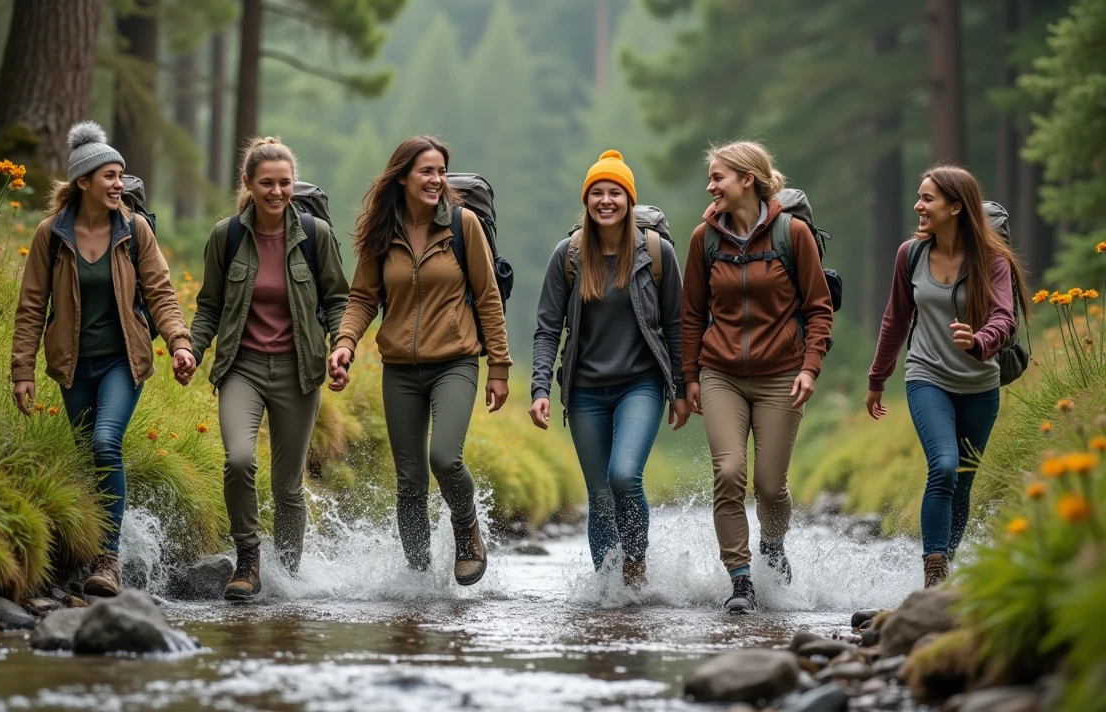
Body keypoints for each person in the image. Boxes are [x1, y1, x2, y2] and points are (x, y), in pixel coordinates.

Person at [11, 121, 196, 597]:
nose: (120, 184)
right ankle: (90, 543)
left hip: (122, 361)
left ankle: (107, 560)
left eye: (122, 175)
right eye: (110, 176)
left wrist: (178, 342)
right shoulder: (51, 235)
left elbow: (161, 293)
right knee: (87, 457)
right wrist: (22, 371)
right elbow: (31, 305)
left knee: (105, 441)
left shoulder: (134, 231)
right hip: (73, 365)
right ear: (84, 182)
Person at [327, 135, 510, 586]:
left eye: (441, 171)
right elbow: (362, 297)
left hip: (456, 361)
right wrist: (345, 342)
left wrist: (500, 367)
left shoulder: (463, 225)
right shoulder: (381, 232)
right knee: (409, 480)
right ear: (403, 177)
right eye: (426, 171)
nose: (436, 179)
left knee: (445, 458)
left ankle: (467, 531)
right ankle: (418, 578)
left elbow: (488, 299)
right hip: (400, 370)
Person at [190, 136, 350, 602]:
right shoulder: (228, 236)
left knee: (288, 485)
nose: (277, 192)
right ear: (248, 184)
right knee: (239, 459)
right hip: (242, 368)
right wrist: (191, 350)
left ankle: (289, 577)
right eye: (267, 183)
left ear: (293, 184)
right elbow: (209, 307)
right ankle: (248, 562)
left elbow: (338, 299)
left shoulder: (315, 237)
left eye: (285, 183)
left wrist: (342, 345)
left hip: (299, 371)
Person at [681, 141, 833, 613]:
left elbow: (819, 309)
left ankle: (772, 545)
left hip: (781, 375)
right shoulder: (702, 240)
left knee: (770, 485)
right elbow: (690, 315)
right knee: (728, 473)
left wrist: (810, 368)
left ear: (748, 179)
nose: (710, 186)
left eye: (718, 177)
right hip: (720, 374)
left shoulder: (793, 234)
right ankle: (741, 580)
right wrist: (690, 378)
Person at [529, 150, 689, 587]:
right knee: (600, 496)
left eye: (614, 192)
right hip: (583, 391)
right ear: (586, 200)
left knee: (622, 475)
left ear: (629, 199)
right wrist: (540, 389)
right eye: (597, 192)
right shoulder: (568, 256)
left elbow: (676, 325)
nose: (605, 200)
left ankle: (635, 567)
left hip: (639, 385)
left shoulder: (657, 253)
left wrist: (679, 388)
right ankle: (606, 586)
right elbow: (547, 329)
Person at [866, 166, 1025, 588]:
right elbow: (895, 320)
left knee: (964, 483)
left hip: (979, 385)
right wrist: (877, 378)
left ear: (956, 207)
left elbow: (1004, 318)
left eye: (928, 199)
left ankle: (946, 569)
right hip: (927, 376)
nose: (918, 206)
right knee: (945, 466)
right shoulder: (911, 254)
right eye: (918, 196)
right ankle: (933, 571)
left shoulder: (993, 260)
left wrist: (978, 341)